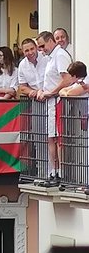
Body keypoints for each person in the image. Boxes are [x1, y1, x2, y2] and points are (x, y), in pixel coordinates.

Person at [37, 29, 74, 179]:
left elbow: (67, 79)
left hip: (58, 101)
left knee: (59, 138)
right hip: (51, 101)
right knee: (51, 137)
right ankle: (54, 171)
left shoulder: (60, 55)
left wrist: (51, 92)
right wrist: (44, 91)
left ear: (50, 41)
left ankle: (61, 173)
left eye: (42, 46)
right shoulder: (51, 57)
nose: (41, 50)